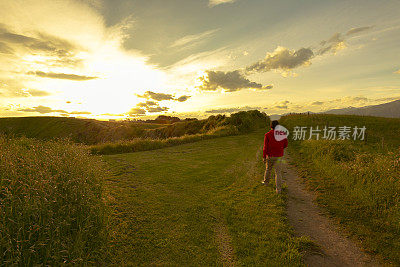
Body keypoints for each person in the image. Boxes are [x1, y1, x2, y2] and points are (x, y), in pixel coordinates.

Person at [262, 120, 288, 193]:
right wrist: (280, 148)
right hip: (279, 156)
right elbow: (286, 144)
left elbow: (265, 147)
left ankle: (266, 182)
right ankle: (278, 189)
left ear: (271, 126)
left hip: (270, 156)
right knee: (278, 172)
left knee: (268, 169)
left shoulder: (267, 135)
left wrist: (264, 156)